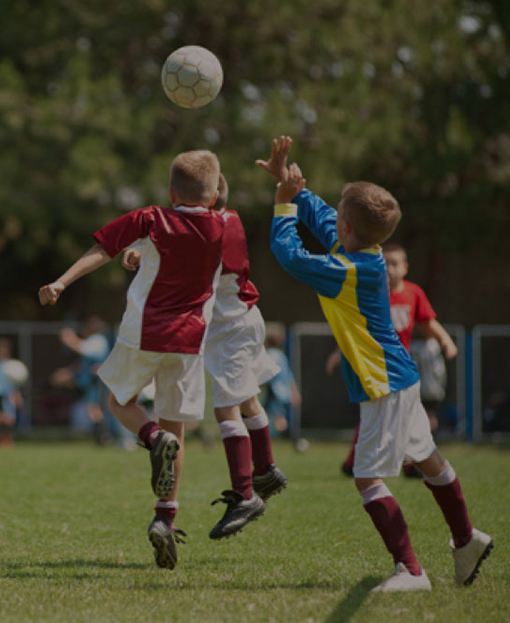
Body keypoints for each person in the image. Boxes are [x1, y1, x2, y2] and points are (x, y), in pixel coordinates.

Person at [256, 135, 492, 592]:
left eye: (339, 210)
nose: (333, 215)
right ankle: (466, 540)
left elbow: (289, 255)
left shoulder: (348, 270)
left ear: (347, 226)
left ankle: (411, 571)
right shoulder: (361, 253)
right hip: (399, 379)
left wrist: (283, 207)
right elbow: (327, 220)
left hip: (383, 385)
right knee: (427, 459)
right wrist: (294, 188)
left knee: (368, 478)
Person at [39, 149, 224, 570]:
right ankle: (165, 516)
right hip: (190, 341)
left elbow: (102, 250)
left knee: (121, 404)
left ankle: (150, 438)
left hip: (144, 333)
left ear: (170, 191)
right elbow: (203, 224)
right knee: (176, 424)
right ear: (214, 196)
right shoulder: (224, 225)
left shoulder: (151, 219)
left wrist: (60, 282)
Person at [122, 173, 288, 541]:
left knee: (226, 409)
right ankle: (266, 468)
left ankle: (246, 494)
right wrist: (143, 250)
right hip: (244, 319)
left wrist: (145, 250)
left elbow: (181, 254)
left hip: (229, 329)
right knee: (247, 399)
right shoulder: (229, 221)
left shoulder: (210, 229)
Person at [328, 242, 458, 476]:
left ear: (405, 267)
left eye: (394, 263)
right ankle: (354, 462)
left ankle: (412, 462)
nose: (389, 269)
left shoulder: (413, 293)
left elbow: (427, 322)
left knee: (407, 414)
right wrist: (339, 354)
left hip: (402, 367)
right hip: (374, 366)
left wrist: (445, 340)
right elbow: (356, 329)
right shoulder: (373, 293)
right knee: (373, 412)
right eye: (385, 263)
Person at [51, 316, 111, 444]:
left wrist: (70, 338)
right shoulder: (93, 340)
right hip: (90, 380)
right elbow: (82, 362)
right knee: (92, 408)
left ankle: (103, 436)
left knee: (95, 408)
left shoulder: (98, 340)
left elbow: (83, 349)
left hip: (97, 380)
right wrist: (68, 373)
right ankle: (100, 436)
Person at [263, 323, 301, 438]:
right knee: (273, 414)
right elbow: (289, 376)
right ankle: (281, 435)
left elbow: (267, 373)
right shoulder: (282, 356)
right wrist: (295, 392)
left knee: (277, 416)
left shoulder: (270, 355)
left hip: (274, 390)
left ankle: (289, 436)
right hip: (283, 391)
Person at [0, 338, 26, 448]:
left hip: (7, 396)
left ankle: (6, 441)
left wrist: (18, 396)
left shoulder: (12, 366)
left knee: (9, 421)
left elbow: (14, 384)